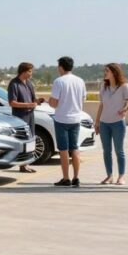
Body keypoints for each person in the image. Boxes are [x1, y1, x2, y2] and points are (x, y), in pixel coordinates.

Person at [49, 56, 87, 187]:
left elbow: (53, 103)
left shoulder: (59, 81)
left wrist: (50, 102)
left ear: (60, 67)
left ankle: (66, 178)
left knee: (63, 150)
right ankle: (76, 177)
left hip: (61, 119)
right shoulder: (80, 81)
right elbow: (83, 99)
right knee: (75, 148)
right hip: (76, 118)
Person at [95, 63, 128, 185]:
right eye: (105, 71)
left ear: (114, 72)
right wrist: (97, 122)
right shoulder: (103, 87)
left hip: (118, 123)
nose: (105, 73)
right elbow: (101, 105)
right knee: (106, 151)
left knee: (119, 150)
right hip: (104, 123)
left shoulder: (124, 86)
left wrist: (125, 111)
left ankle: (121, 176)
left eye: (107, 71)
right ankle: (109, 176)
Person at [8, 62, 44, 173]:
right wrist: (29, 105)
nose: (31, 73)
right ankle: (22, 165)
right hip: (20, 117)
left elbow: (33, 100)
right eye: (30, 71)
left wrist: (38, 101)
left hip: (30, 115)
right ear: (23, 71)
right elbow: (12, 103)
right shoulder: (14, 84)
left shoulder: (29, 83)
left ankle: (25, 164)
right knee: (22, 140)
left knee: (30, 139)